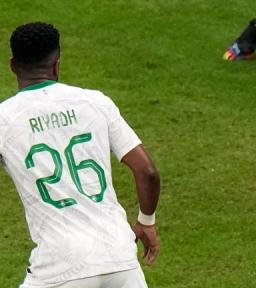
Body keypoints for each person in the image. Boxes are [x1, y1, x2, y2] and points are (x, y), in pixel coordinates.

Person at [0, 22, 161, 288]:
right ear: (56, 64)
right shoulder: (96, 102)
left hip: (59, 266)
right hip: (120, 258)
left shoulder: (4, 119)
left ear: (13, 65)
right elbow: (148, 173)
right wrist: (146, 221)